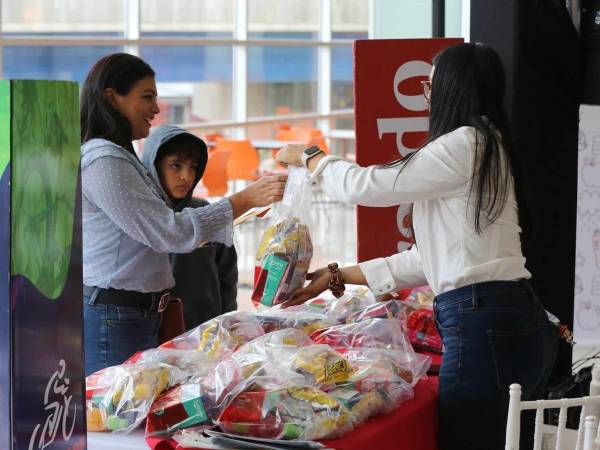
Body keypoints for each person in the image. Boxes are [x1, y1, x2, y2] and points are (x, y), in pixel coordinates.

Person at [276, 42, 557, 450]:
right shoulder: (486, 144)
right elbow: (436, 258)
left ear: (451, 89)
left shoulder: (466, 143)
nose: (426, 97)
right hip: (503, 317)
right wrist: (338, 275)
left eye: (430, 86)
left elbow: (366, 185)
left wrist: (312, 157)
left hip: (484, 321)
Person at [81, 53, 285, 376]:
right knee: (117, 420)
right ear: (111, 97)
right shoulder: (103, 160)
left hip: (135, 315)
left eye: (156, 98)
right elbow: (169, 232)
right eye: (146, 97)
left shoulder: (120, 156)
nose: (155, 109)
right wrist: (243, 200)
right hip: (116, 317)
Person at [141, 125, 238, 330]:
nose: (186, 176)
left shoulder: (205, 212)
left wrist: (229, 319)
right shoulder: (141, 217)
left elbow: (227, 273)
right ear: (154, 166)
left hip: (206, 327)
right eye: (176, 166)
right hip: (152, 330)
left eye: (193, 167)